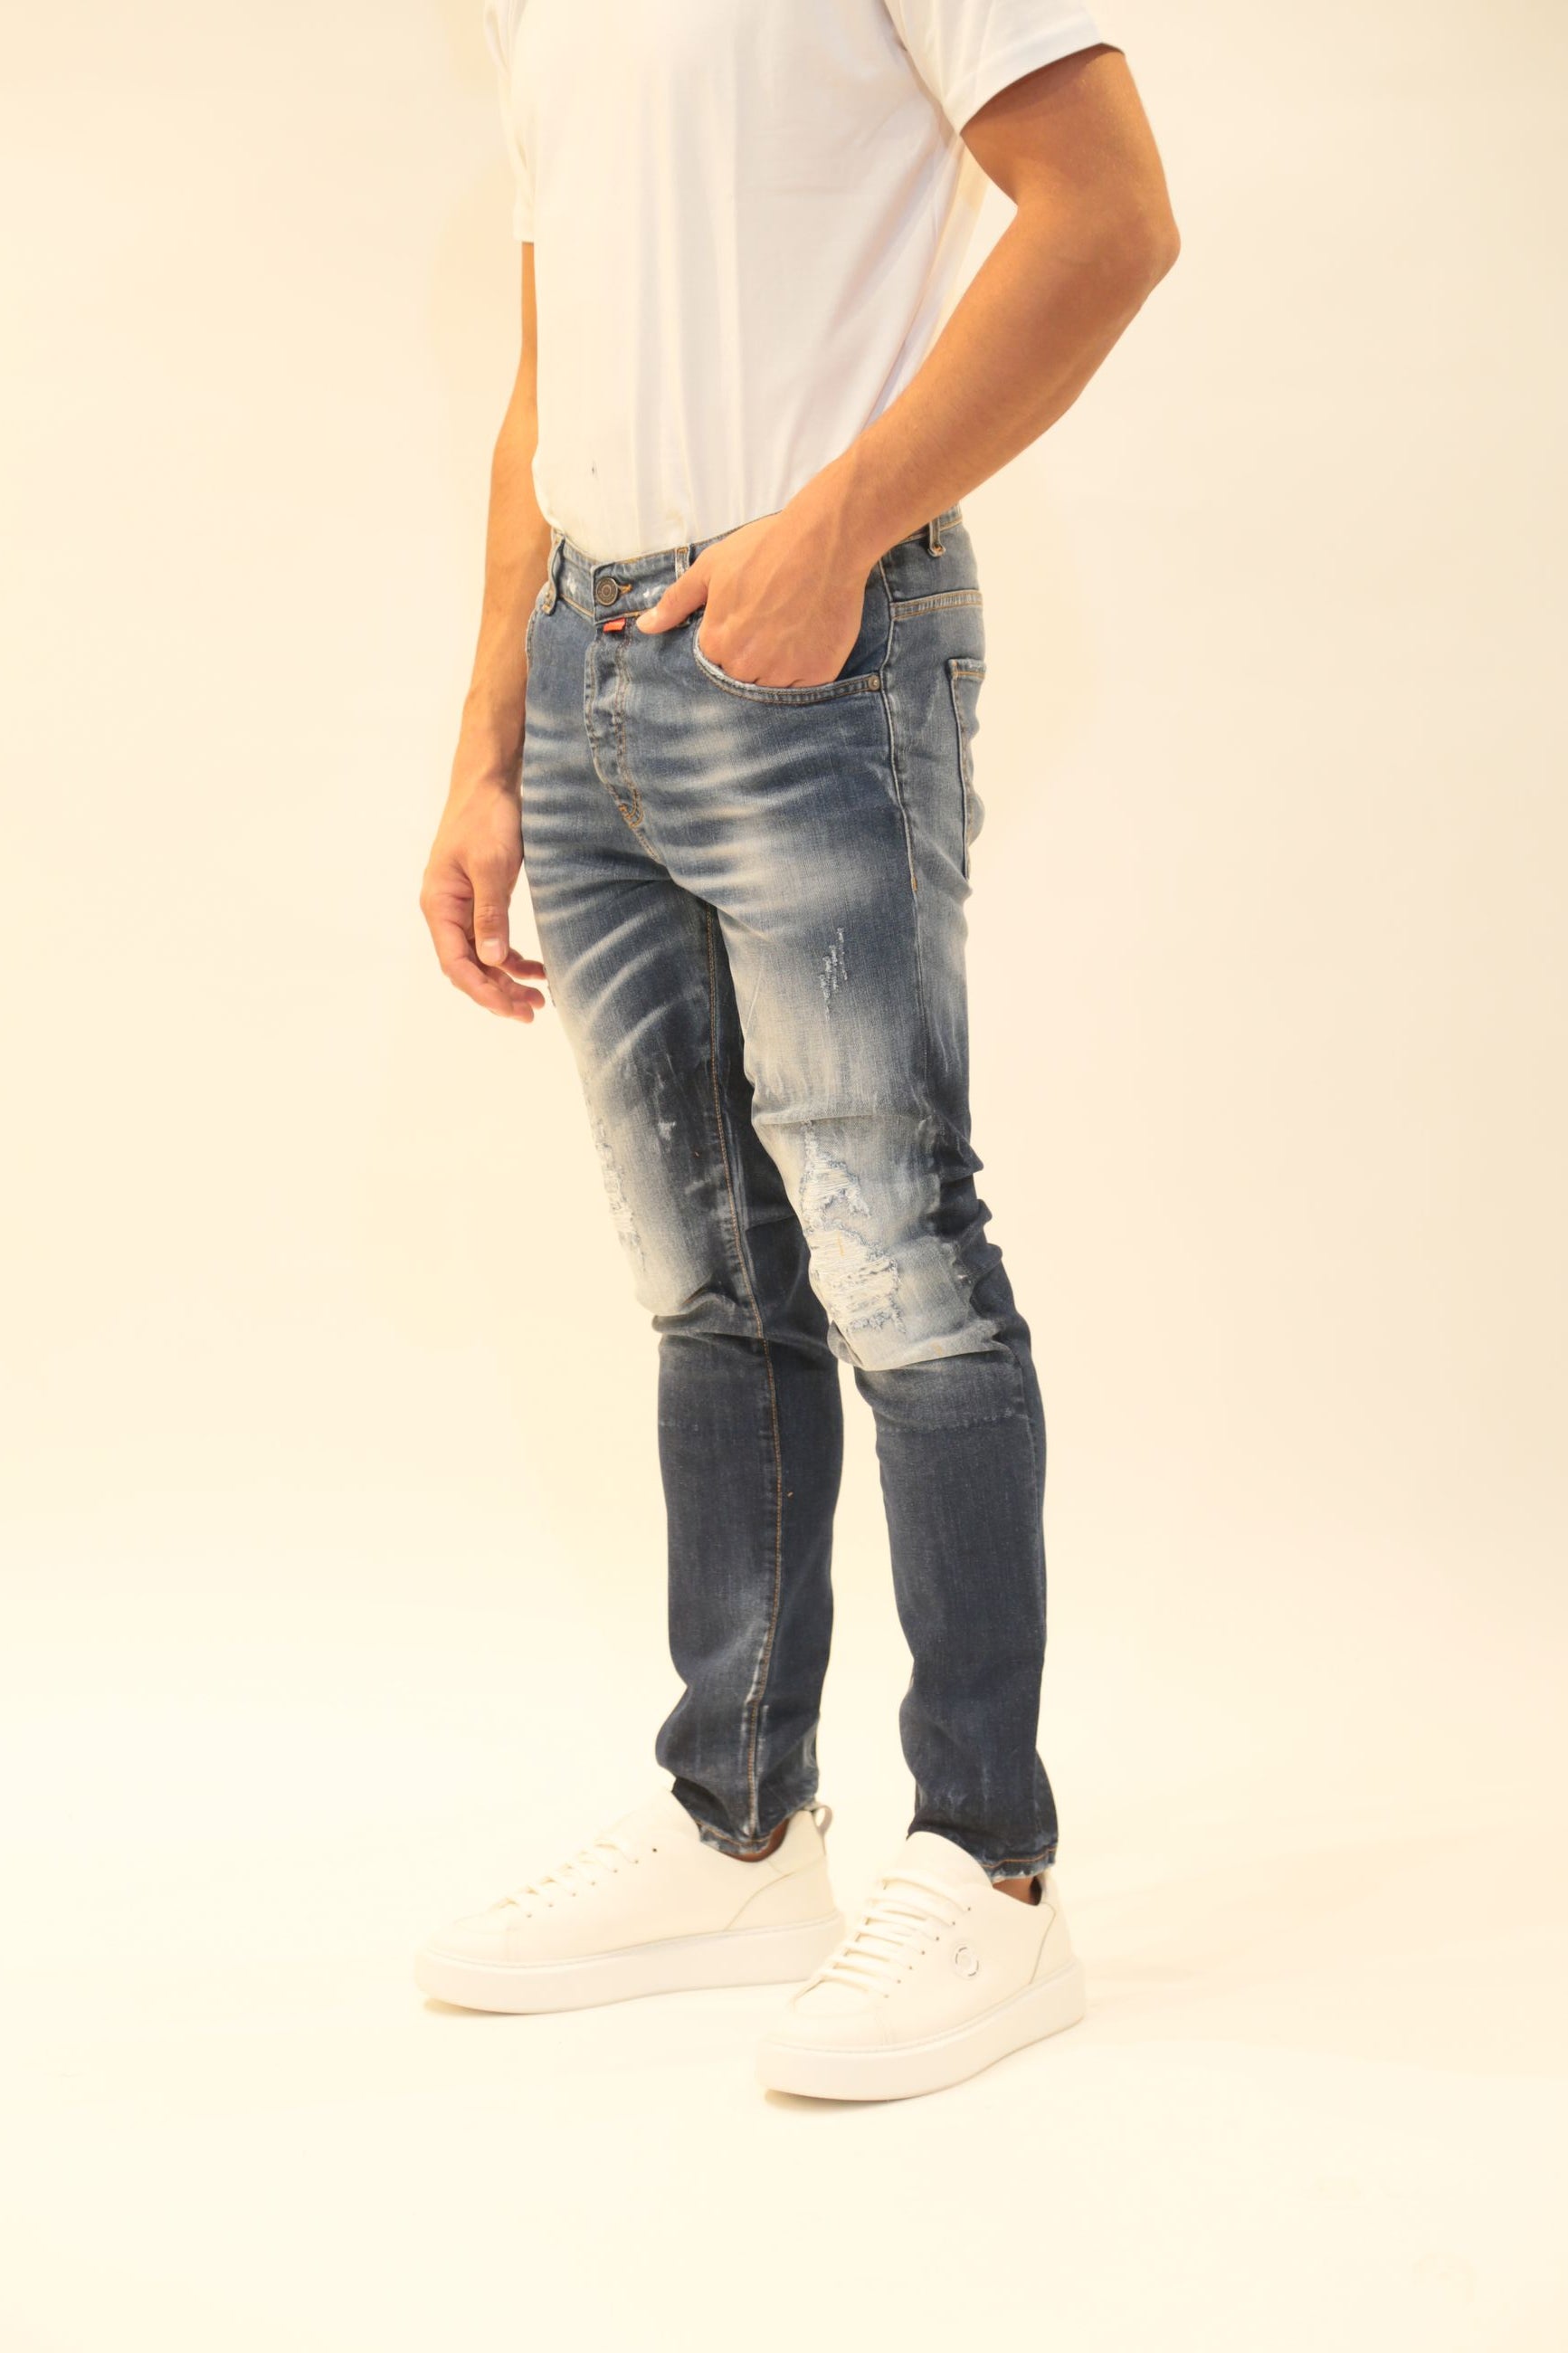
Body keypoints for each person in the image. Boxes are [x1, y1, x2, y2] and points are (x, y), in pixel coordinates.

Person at [415, 0, 1177, 2101]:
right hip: (589, 655)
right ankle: (738, 1826)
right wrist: (491, 739)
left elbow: (1110, 217)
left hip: (817, 642)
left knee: (896, 1253)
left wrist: (834, 527)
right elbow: (555, 359)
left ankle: (991, 1863)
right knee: (709, 1278)